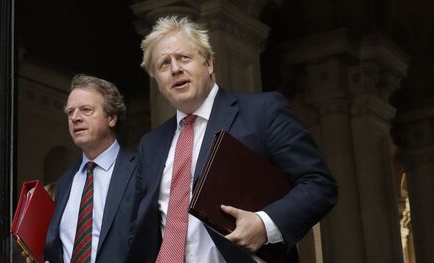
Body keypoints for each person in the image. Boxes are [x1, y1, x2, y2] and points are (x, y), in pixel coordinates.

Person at [127, 16, 338, 263]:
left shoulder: (263, 111)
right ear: (159, 84)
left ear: (209, 64)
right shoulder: (150, 144)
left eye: (184, 57)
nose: (175, 69)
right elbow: (139, 227)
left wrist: (264, 224)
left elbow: (319, 184)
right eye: (164, 64)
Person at [26, 74, 138, 263]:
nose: (75, 118)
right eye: (70, 112)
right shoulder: (64, 184)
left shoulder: (139, 170)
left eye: (86, 110)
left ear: (111, 117)